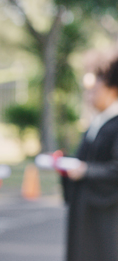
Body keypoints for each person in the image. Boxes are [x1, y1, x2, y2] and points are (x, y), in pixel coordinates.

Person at [63, 57, 118, 261]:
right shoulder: (96, 123)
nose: (88, 96)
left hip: (108, 213)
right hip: (86, 208)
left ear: (112, 89)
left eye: (94, 90)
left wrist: (86, 170)